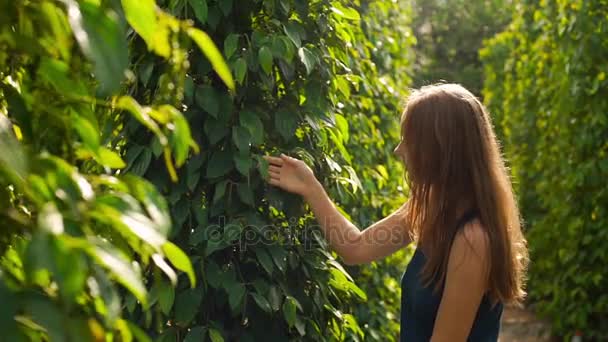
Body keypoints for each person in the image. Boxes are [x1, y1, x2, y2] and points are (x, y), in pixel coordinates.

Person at [263, 83, 528, 341]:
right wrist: (311, 188)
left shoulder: (472, 238)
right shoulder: (430, 207)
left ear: (440, 150)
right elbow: (357, 247)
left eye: (409, 140)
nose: (398, 150)